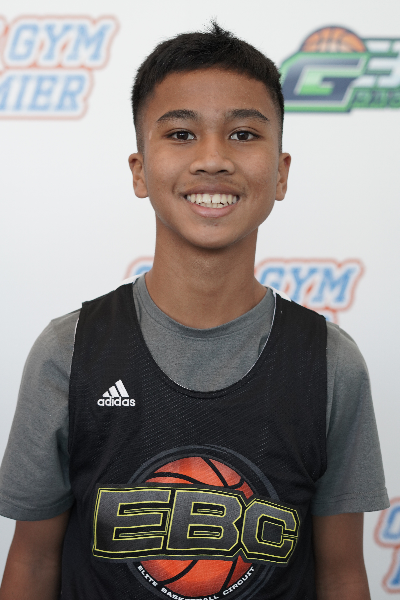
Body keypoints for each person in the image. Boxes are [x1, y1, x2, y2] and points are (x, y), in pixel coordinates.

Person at [0, 22, 389, 600]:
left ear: (281, 173)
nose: (212, 159)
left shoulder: (330, 362)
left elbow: (341, 574)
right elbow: (32, 564)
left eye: (242, 134)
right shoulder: (69, 352)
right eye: (181, 134)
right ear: (139, 171)